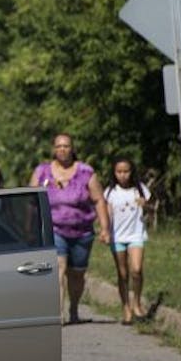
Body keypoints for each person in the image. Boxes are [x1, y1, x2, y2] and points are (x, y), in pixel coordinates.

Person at [29, 134, 110, 325]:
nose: (62, 150)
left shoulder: (85, 172)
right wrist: (30, 228)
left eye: (66, 146)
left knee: (77, 274)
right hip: (54, 229)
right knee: (58, 268)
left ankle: (73, 308)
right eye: (59, 146)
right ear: (53, 149)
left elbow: (99, 200)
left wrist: (105, 228)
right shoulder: (42, 172)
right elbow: (31, 200)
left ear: (72, 148)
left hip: (82, 231)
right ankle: (58, 314)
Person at [105, 158, 151, 325]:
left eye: (126, 171)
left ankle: (137, 302)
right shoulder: (110, 192)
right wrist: (105, 232)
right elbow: (107, 214)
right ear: (114, 173)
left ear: (132, 172)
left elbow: (151, 209)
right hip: (117, 237)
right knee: (122, 273)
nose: (122, 175)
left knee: (136, 270)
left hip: (136, 235)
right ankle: (126, 306)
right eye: (119, 172)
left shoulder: (140, 190)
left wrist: (145, 205)